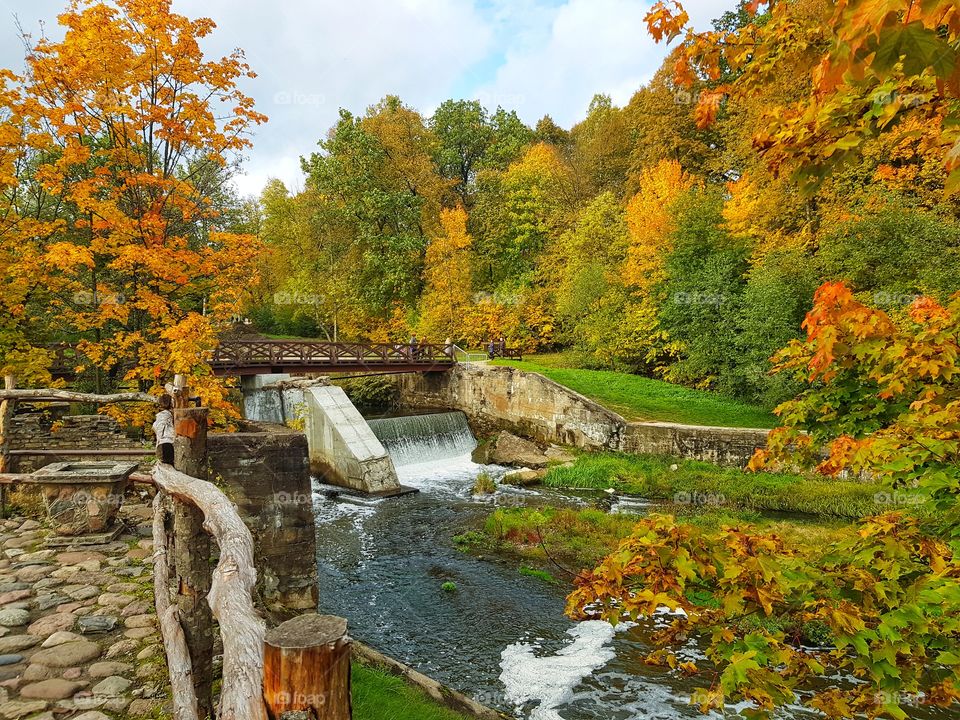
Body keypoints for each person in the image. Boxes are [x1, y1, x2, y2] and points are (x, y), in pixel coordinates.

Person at [152, 394, 175, 465]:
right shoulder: (165, 416)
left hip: (164, 444)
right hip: (167, 444)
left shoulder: (163, 416)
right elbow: (160, 430)